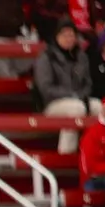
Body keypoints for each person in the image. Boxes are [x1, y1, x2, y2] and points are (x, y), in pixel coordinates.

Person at [34, 19, 97, 155]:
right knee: (76, 109)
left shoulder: (81, 57)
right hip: (53, 104)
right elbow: (46, 88)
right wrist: (72, 95)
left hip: (79, 99)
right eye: (64, 35)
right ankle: (66, 153)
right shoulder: (46, 57)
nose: (68, 38)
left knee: (100, 107)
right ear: (57, 36)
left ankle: (93, 152)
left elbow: (88, 84)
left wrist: (81, 95)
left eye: (71, 35)